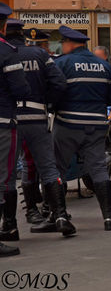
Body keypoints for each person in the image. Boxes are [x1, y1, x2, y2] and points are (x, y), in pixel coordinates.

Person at [1, 19, 69, 240]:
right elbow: (59, 83)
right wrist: (48, 104)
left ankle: (23, 216)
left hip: (10, 120)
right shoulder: (39, 55)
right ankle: (60, 216)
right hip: (37, 118)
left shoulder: (6, 53)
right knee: (48, 168)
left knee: (11, 174)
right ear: (22, 34)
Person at [51, 26, 111, 231]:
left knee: (58, 169)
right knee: (98, 168)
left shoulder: (62, 64)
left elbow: (54, 91)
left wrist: (54, 107)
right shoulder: (104, 66)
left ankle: (61, 217)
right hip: (97, 125)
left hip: (67, 123)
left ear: (69, 44)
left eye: (62, 43)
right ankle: (109, 217)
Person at [0, 3, 31, 257]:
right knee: (4, 178)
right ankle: (7, 227)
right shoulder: (7, 52)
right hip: (2, 122)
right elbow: (21, 89)